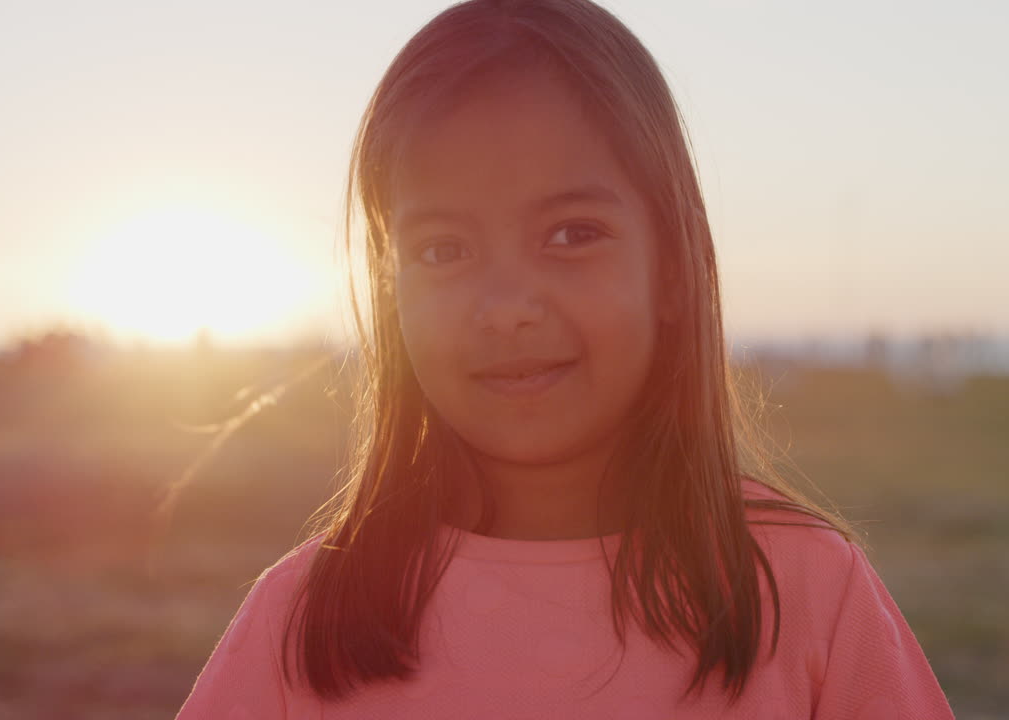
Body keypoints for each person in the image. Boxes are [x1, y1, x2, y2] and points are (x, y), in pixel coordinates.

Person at [176, 0, 955, 717]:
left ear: (676, 271)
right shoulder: (305, 620)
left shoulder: (807, 591)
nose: (508, 305)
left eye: (572, 234)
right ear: (392, 296)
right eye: (444, 249)